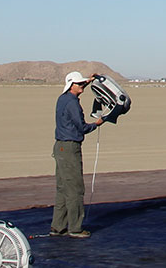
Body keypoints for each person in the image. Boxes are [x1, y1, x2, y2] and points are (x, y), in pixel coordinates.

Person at [50, 70, 105, 238]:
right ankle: (75, 228)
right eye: (79, 84)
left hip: (59, 147)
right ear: (72, 86)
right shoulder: (72, 103)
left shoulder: (63, 99)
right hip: (69, 149)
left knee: (62, 188)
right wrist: (97, 124)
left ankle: (58, 227)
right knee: (75, 188)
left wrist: (88, 80)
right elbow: (81, 127)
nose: (82, 86)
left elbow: (78, 87)